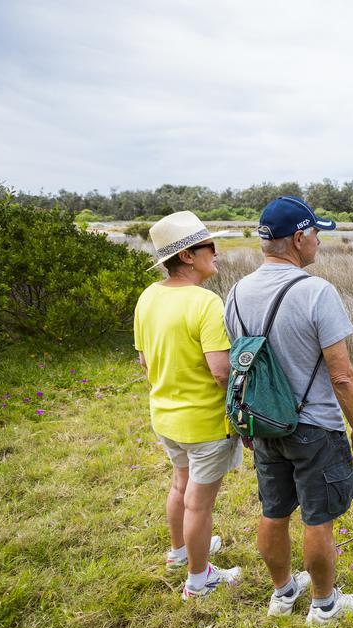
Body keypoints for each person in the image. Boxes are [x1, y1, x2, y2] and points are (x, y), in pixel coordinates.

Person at [225, 196, 353, 624]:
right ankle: (325, 606)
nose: (319, 242)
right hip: (314, 427)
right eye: (316, 234)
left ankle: (283, 593)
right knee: (317, 518)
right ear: (299, 237)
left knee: (273, 511)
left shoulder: (234, 293)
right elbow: (341, 375)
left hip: (265, 423)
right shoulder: (316, 292)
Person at [134, 210, 242, 600]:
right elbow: (220, 372)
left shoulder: (148, 296)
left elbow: (145, 361)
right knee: (199, 502)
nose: (217, 252)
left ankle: (180, 552)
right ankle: (200, 579)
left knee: (180, 485)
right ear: (187, 256)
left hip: (164, 416)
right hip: (204, 422)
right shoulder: (206, 303)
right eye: (209, 246)